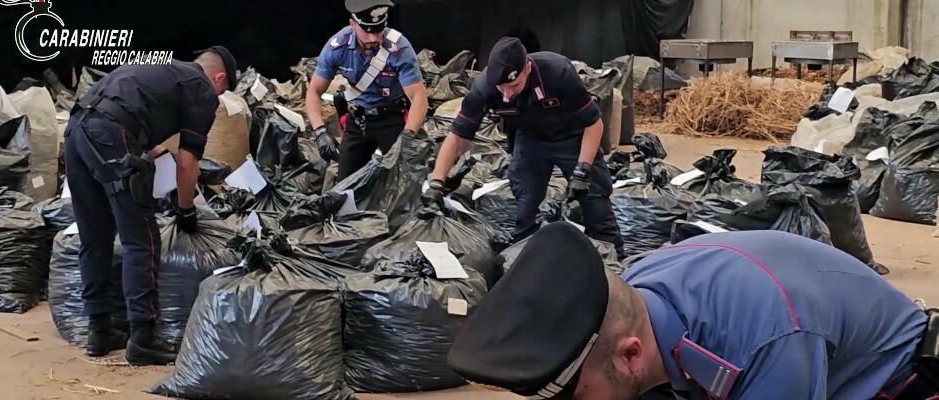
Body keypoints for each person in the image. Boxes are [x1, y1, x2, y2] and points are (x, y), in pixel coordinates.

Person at [448, 223, 939, 400]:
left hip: (894, 382)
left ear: (631, 355)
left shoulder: (764, 344)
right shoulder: (637, 295)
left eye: (577, 397)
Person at [64, 47, 237, 365]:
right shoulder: (201, 88)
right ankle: (143, 338)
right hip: (110, 135)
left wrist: (151, 155)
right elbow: (188, 162)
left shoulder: (162, 69)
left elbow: (133, 115)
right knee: (141, 238)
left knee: (96, 236)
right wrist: (186, 211)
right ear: (219, 77)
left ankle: (99, 330)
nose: (218, 99)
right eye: (222, 91)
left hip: (77, 131)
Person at [422, 37, 624, 255]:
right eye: (502, 88)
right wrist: (436, 182)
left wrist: (582, 170)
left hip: (572, 136)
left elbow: (594, 124)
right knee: (525, 204)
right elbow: (457, 135)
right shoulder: (485, 87)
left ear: (527, 68)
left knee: (594, 202)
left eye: (513, 86)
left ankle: (612, 259)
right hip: (531, 139)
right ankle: (524, 259)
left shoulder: (557, 73)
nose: (506, 95)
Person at [305, 0, 429, 181]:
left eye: (379, 31)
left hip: (392, 120)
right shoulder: (337, 47)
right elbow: (314, 91)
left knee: (405, 181)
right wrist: (320, 132)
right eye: (367, 31)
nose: (373, 39)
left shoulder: (399, 48)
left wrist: (408, 137)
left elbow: (419, 98)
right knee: (345, 185)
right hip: (359, 122)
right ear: (353, 24)